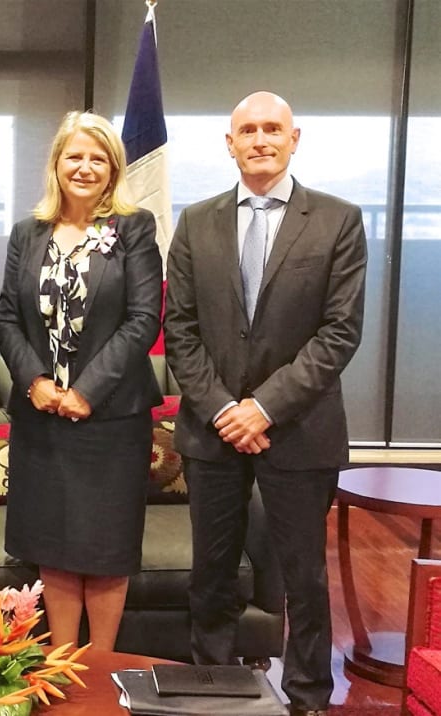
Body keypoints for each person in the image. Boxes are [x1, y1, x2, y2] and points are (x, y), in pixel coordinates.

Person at [164, 91, 367, 716]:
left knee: (302, 577)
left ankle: (308, 695)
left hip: (300, 429)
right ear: (230, 144)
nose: (259, 139)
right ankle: (213, 689)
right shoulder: (196, 221)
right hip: (211, 430)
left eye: (271, 129)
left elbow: (340, 331)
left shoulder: (337, 219)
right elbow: (182, 330)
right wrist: (228, 409)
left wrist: (265, 408)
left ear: (294, 138)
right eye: (246, 130)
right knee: (212, 572)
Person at [0, 111, 162, 651]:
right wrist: (34, 382)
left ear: (113, 169)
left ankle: (101, 672)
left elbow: (143, 319)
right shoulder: (28, 233)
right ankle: (62, 667)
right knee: (56, 546)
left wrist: (88, 391)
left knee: (106, 548)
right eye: (75, 156)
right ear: (56, 164)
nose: (85, 167)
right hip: (42, 418)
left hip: (111, 419)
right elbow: (6, 318)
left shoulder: (133, 229)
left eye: (99, 158)